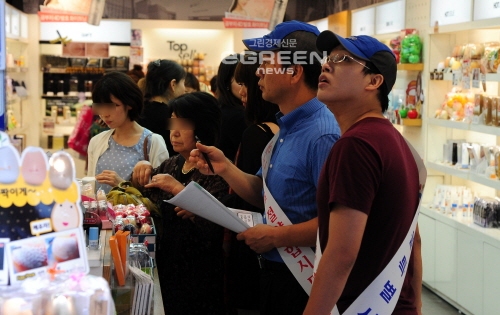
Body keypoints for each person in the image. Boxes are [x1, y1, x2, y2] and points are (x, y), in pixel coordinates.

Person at [190, 21, 341, 315]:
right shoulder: (287, 126)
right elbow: (264, 193)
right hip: (274, 274)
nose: (258, 71)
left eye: (267, 63)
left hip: (305, 279)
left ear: (294, 71)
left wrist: (275, 237)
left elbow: (338, 224)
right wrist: (225, 167)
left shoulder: (323, 135)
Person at [302, 31, 423, 315]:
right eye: (327, 59)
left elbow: (341, 254)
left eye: (343, 59)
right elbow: (414, 240)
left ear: (374, 81)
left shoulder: (356, 145)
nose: (327, 65)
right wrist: (415, 304)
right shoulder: (393, 140)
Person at [132, 92, 228, 315]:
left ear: (202, 127)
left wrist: (180, 190)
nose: (173, 132)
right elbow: (142, 192)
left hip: (200, 276)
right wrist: (140, 169)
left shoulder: (218, 170)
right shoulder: (173, 163)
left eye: (182, 124)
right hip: (167, 267)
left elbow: (215, 227)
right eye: (173, 122)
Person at [224, 54, 280, 314]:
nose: (244, 92)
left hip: (255, 245)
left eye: (250, 81)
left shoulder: (257, 134)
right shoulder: (283, 130)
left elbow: (251, 196)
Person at [87, 72, 169, 193]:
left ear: (129, 103)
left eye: (111, 106)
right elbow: (90, 187)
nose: (104, 113)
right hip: (100, 211)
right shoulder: (97, 141)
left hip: (134, 211)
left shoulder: (153, 142)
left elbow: (161, 194)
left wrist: (122, 185)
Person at [136, 59, 186, 156]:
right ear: (173, 84)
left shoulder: (137, 110)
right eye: (184, 83)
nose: (185, 89)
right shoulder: (174, 116)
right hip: (165, 168)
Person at [216, 54, 247, 162]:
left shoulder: (218, 108)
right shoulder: (237, 116)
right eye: (240, 81)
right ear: (226, 82)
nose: (246, 86)